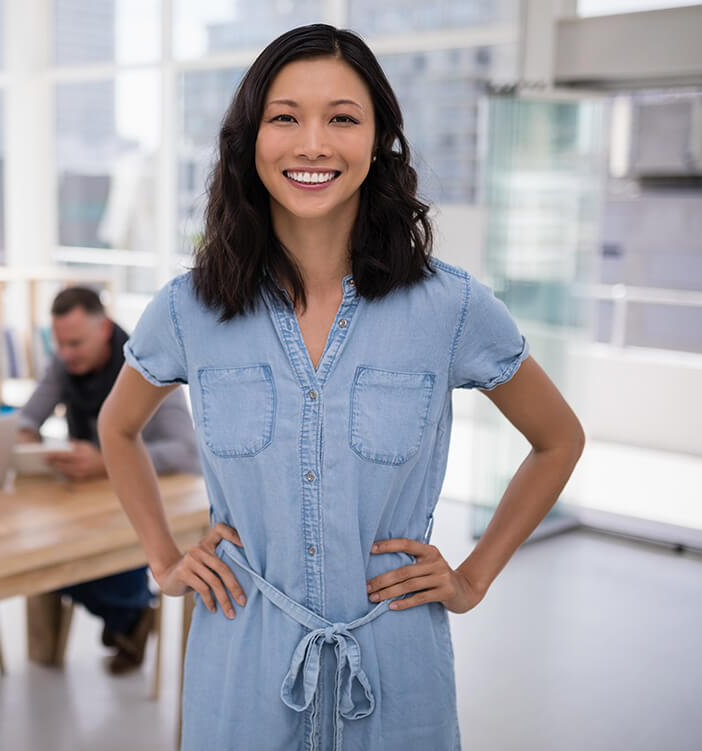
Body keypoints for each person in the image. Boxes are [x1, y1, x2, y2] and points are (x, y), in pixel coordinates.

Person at [98, 24, 584, 751]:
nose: (313, 144)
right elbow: (117, 427)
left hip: (397, 666)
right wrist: (164, 560)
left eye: (343, 118)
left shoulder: (450, 308)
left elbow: (559, 439)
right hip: (239, 663)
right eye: (285, 117)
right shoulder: (187, 308)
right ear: (250, 139)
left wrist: (473, 578)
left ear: (379, 139)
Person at [17, 286, 200, 674]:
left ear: (103, 330)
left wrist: (108, 461)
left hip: (135, 503)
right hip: (80, 503)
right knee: (36, 557)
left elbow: (186, 452)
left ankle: (129, 612)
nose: (66, 354)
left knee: (68, 562)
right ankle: (130, 615)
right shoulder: (64, 364)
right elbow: (26, 419)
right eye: (60, 344)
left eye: (76, 343)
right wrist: (28, 445)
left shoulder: (148, 366)